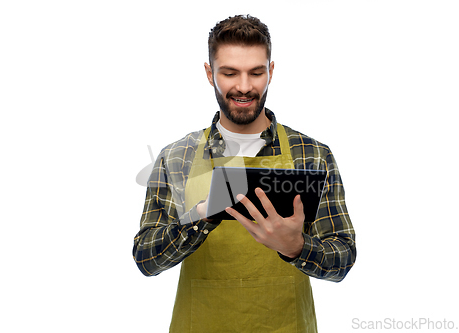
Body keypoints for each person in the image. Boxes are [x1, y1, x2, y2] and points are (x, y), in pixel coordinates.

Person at [133, 14, 356, 332]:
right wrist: (200, 217)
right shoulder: (176, 158)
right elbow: (146, 259)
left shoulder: (313, 155)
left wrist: (296, 247)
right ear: (210, 74)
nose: (244, 86)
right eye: (229, 72)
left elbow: (343, 258)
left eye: (256, 72)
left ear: (271, 71)